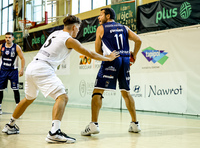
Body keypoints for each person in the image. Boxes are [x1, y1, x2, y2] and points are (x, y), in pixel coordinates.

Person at [2, 15, 119, 144]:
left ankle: (10, 125)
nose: (78, 30)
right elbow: (89, 53)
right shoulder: (69, 40)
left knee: (29, 98)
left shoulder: (56, 33)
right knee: (62, 97)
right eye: (78, 28)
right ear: (74, 27)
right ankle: (54, 132)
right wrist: (109, 58)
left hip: (32, 67)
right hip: (43, 68)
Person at [81, 8, 142, 136]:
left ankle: (94, 124)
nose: (98, 18)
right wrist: (134, 56)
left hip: (111, 60)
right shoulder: (124, 27)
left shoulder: (101, 28)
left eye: (100, 15)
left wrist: (108, 57)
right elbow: (138, 40)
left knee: (97, 91)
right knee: (126, 92)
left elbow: (97, 51)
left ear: (107, 16)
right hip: (125, 60)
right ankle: (135, 124)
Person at [0, 32, 25, 115]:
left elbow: (22, 58)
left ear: (13, 38)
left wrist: (22, 69)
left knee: (15, 89)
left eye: (9, 37)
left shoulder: (16, 47)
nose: (7, 39)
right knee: (0, 90)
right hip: (3, 70)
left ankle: (18, 108)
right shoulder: (1, 46)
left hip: (13, 71)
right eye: (6, 37)